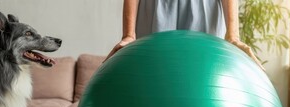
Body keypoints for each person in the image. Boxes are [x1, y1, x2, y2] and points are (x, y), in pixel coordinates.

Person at [105, 0, 264, 70]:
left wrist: (233, 36)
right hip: (155, 6)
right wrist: (128, 35)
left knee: (203, 73)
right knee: (156, 73)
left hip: (205, 7)